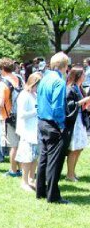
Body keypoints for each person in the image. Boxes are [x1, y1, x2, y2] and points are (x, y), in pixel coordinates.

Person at [36, 52, 71, 204]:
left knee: (43, 158)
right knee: (54, 161)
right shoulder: (59, 81)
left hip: (42, 121)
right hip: (53, 124)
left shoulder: (44, 78)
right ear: (65, 66)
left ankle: (41, 191)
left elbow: (38, 101)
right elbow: (57, 107)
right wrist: (62, 125)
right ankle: (53, 195)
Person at [0, 58, 23, 177]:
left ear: (1, 69)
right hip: (20, 115)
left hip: (8, 117)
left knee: (13, 145)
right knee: (20, 143)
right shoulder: (19, 78)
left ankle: (13, 170)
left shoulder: (2, 83)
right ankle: (22, 168)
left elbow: (0, 103)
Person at [15, 72, 42, 191]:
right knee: (27, 157)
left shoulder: (35, 94)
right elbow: (21, 114)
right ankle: (24, 181)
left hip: (35, 130)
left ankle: (32, 178)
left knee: (35, 156)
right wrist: (37, 111)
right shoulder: (24, 95)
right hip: (27, 130)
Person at [65, 66, 90, 181]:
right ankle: (69, 174)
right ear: (78, 76)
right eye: (83, 74)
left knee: (80, 148)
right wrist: (84, 101)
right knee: (74, 149)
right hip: (74, 121)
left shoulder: (80, 88)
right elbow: (70, 105)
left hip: (81, 120)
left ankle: (73, 172)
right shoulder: (70, 88)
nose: (85, 76)